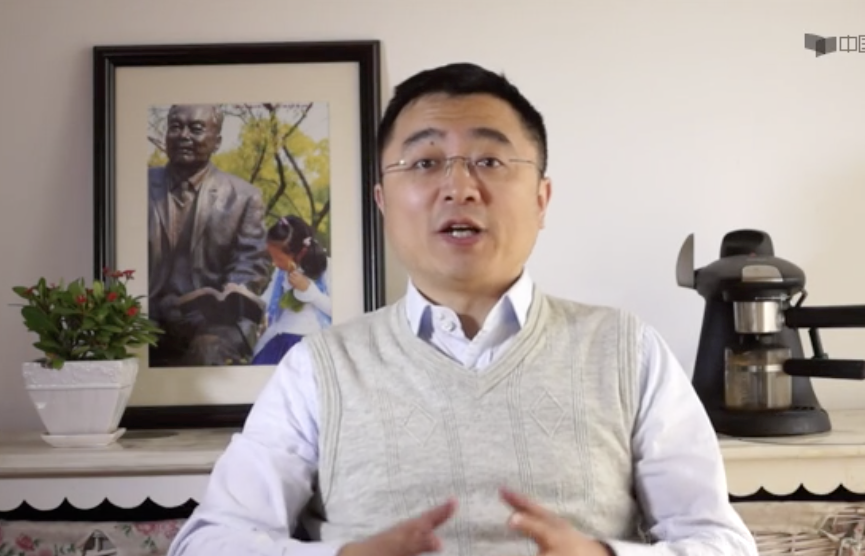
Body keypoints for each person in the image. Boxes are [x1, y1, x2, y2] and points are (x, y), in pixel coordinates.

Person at [167, 63, 758, 556]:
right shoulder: (316, 369)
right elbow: (209, 542)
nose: (459, 187)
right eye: (425, 163)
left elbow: (721, 542)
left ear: (541, 198)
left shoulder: (627, 351)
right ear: (382, 202)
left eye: (490, 161)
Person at [147, 104, 271, 367]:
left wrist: (223, 302)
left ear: (217, 142)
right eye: (175, 127)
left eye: (196, 129)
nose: (184, 135)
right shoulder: (138, 187)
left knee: (208, 351)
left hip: (213, 323)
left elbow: (252, 264)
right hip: (150, 314)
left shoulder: (243, 196)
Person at [252, 215, 333, 365]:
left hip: (312, 341)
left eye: (279, 259)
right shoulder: (281, 273)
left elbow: (339, 310)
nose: (275, 263)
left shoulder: (327, 267)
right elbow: (266, 301)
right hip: (280, 339)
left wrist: (310, 292)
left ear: (297, 253)